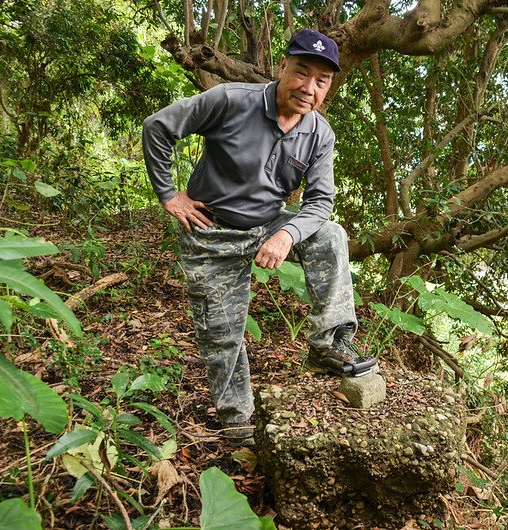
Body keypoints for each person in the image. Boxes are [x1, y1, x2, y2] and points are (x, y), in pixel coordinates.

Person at [142, 29, 369, 446]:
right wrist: (169, 195)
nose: (309, 88)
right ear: (283, 68)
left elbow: (320, 203)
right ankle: (239, 425)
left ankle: (329, 344)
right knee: (222, 336)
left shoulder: (320, 133)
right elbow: (158, 128)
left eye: (322, 81)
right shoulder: (230, 99)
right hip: (211, 230)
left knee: (330, 235)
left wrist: (285, 234)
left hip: (268, 223)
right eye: (302, 73)